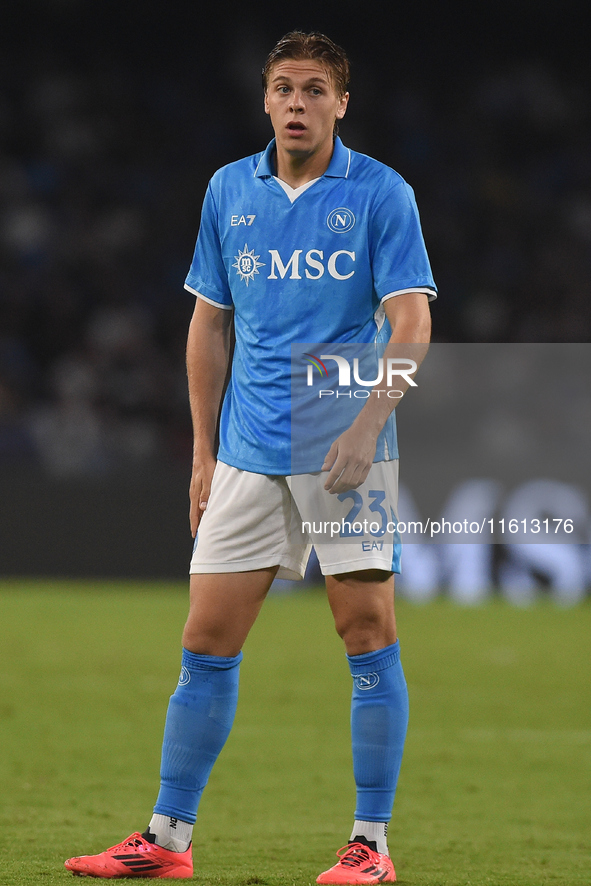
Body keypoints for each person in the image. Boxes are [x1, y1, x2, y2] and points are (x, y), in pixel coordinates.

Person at [65, 30, 436, 882]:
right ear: (264, 100)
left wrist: (365, 426)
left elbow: (411, 320)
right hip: (246, 448)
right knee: (205, 641)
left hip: (345, 447)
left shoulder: (381, 193)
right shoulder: (229, 189)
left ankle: (370, 845)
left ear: (342, 102)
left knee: (366, 632)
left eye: (314, 89)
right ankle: (166, 839)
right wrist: (201, 452)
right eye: (283, 88)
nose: (297, 103)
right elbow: (208, 322)